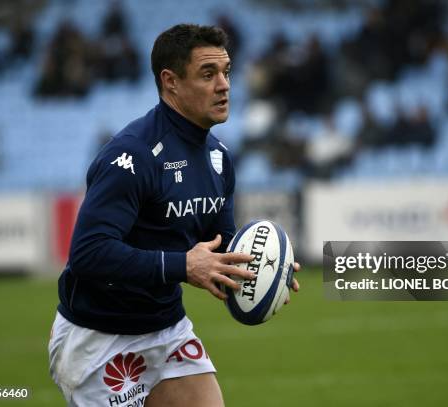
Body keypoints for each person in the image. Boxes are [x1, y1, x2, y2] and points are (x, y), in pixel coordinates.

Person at [48, 24, 300, 407]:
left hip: (166, 328)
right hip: (97, 337)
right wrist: (183, 265)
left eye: (227, 72)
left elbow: (220, 245)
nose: (224, 85)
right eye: (207, 74)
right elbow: (88, 253)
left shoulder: (219, 158)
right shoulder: (132, 155)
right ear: (171, 82)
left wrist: (265, 268)